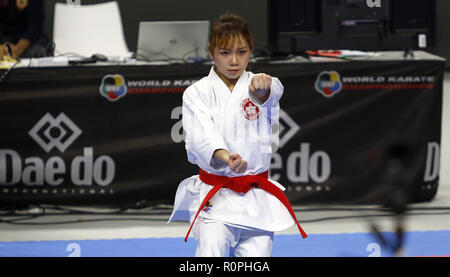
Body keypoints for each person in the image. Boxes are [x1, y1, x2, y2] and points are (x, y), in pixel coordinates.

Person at [168, 13, 307, 257]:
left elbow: (272, 92)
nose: (234, 61)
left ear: (251, 51)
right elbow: (201, 137)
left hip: (256, 198)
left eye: (241, 52)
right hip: (217, 197)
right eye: (224, 52)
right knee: (211, 249)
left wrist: (262, 91)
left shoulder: (259, 84)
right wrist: (224, 157)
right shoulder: (196, 92)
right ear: (210, 51)